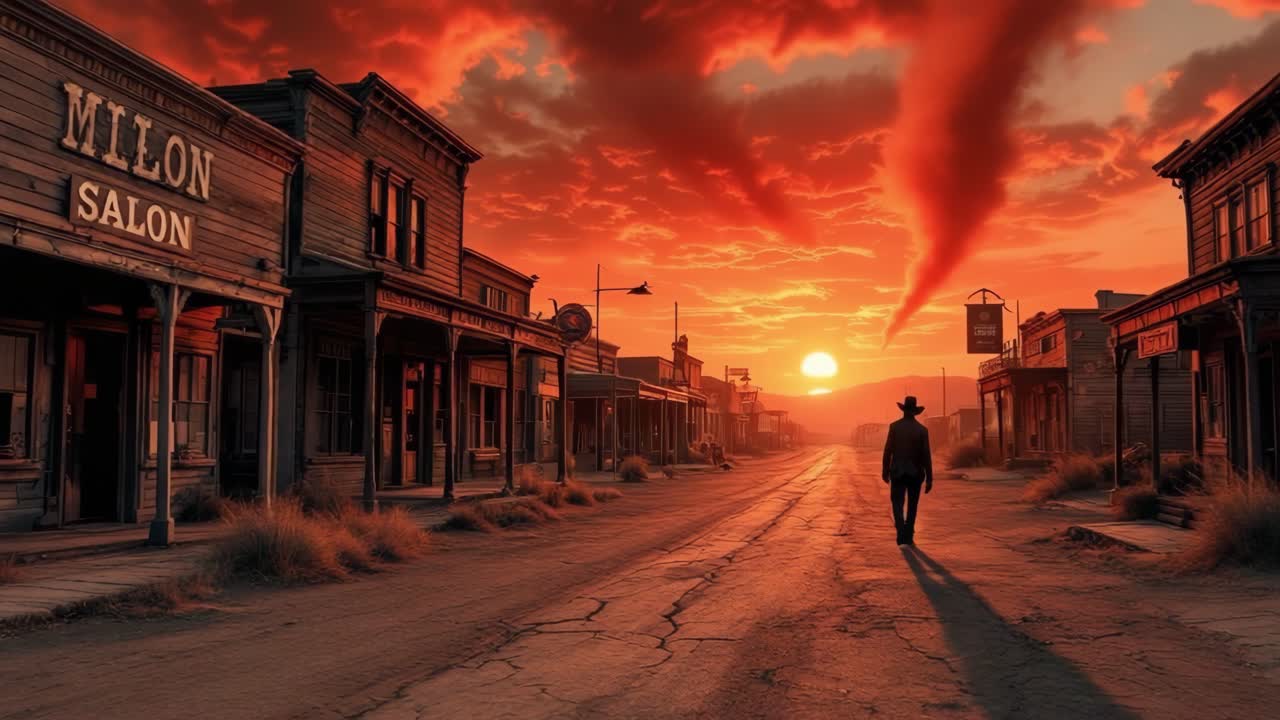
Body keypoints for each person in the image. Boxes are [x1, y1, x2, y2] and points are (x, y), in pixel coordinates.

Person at [881, 396, 933, 546]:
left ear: (903, 410)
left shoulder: (894, 427)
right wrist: (930, 478)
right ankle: (908, 535)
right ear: (915, 412)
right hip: (915, 473)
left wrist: (885, 470)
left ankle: (901, 532)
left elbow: (888, 451)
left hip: (897, 471)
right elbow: (926, 455)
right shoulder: (922, 430)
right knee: (912, 504)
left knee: (897, 503)